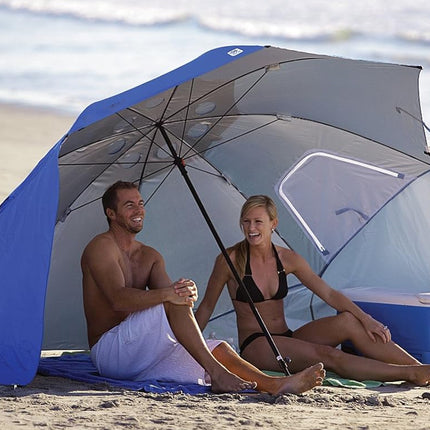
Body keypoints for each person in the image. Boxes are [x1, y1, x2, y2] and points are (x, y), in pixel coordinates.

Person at [81, 181, 325, 395]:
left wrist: (186, 292)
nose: (139, 210)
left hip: (143, 353)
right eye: (129, 205)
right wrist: (172, 295)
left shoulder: (150, 256)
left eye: (141, 203)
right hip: (110, 352)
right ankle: (218, 375)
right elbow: (118, 299)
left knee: (218, 348)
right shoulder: (101, 247)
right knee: (173, 299)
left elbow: (171, 308)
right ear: (111, 213)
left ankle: (273, 384)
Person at [195, 195, 430, 385]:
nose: (251, 228)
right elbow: (206, 307)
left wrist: (366, 319)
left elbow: (328, 294)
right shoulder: (229, 260)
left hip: (287, 337)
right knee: (329, 355)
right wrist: (184, 344)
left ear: (273, 224)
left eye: (258, 221)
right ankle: (408, 374)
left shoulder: (288, 259)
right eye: (246, 221)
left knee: (348, 321)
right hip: (257, 345)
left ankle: (421, 371)